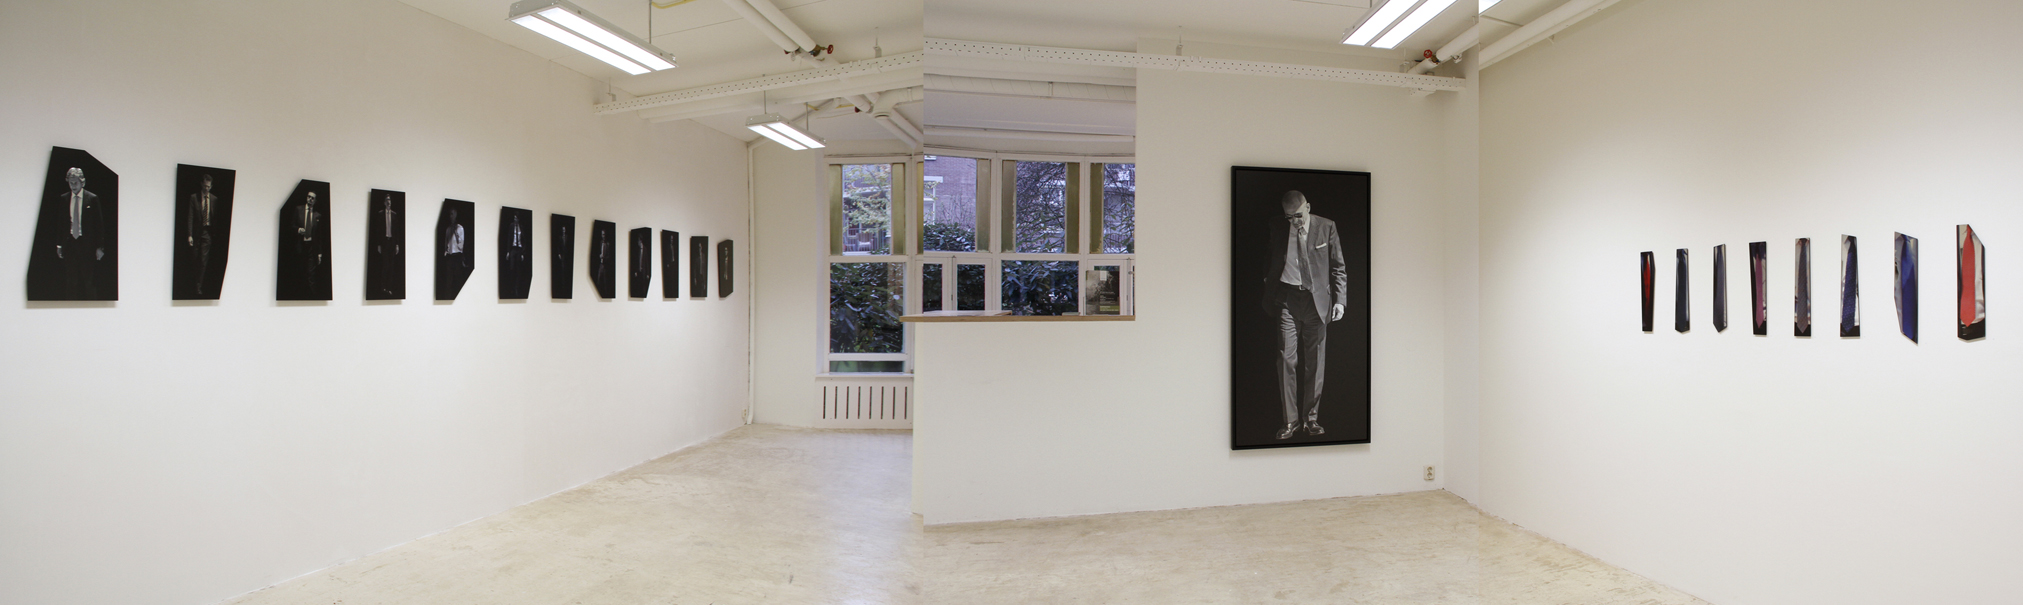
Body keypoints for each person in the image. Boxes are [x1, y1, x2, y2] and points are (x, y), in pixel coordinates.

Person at [1262, 190, 1346, 440]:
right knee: (1285, 360)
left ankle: (1311, 419)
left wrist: (1340, 300)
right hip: (1288, 299)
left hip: (1316, 302)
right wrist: (1267, 278)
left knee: (1315, 362)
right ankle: (1290, 421)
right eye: (1289, 217)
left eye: (1298, 215)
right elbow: (1270, 255)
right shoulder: (1278, 226)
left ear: (1308, 207)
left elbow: (1338, 266)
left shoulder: (1326, 227)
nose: (1295, 221)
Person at [53, 167, 107, 298]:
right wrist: (59, 245)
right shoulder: (64, 198)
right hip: (70, 243)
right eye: (70, 183)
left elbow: (99, 225)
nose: (73, 186)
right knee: (71, 281)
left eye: (75, 183)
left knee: (89, 281)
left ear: (82, 182)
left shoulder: (92, 198)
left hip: (87, 244)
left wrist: (100, 247)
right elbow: (61, 223)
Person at [186, 173, 218, 295]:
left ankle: (198, 286)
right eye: (205, 186)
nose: (206, 189)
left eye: (209, 187)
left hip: (207, 232)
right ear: (201, 184)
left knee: (203, 261)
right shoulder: (194, 198)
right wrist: (190, 235)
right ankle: (192, 283)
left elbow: (216, 218)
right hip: (196, 232)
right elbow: (190, 217)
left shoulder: (214, 199)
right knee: (195, 259)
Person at [372, 194, 401, 297]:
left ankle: (389, 288)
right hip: (384, 242)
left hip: (392, 242)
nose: (389, 202)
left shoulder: (394, 214)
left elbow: (396, 231)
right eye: (387, 200)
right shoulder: (380, 214)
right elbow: (378, 230)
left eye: (390, 200)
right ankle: (383, 287)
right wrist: (379, 244)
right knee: (385, 265)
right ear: (384, 203)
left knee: (391, 266)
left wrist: (397, 244)